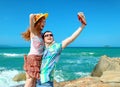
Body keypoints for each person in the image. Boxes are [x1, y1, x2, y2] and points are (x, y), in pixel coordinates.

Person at [36, 12, 87, 87]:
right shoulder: (41, 48)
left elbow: (71, 38)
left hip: (46, 81)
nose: (49, 36)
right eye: (46, 35)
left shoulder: (56, 47)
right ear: (43, 39)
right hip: (37, 80)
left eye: (51, 35)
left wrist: (82, 26)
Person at [21, 13, 48, 87]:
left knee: (34, 80)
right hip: (33, 59)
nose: (44, 23)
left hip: (39, 60)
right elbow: (30, 16)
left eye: (45, 22)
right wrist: (37, 15)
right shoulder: (34, 32)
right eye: (42, 21)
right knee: (30, 80)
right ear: (38, 22)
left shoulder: (42, 35)